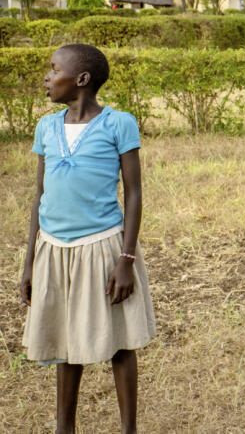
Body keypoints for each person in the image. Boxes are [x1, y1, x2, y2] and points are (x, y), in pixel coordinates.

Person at [19, 44, 157, 434]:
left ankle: (128, 427)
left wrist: (125, 260)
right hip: (55, 248)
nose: (46, 77)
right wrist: (30, 261)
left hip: (104, 248)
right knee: (65, 340)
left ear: (81, 80)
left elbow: (133, 194)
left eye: (53, 69)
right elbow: (40, 197)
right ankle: (66, 427)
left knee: (120, 341)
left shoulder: (119, 124)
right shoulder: (46, 127)